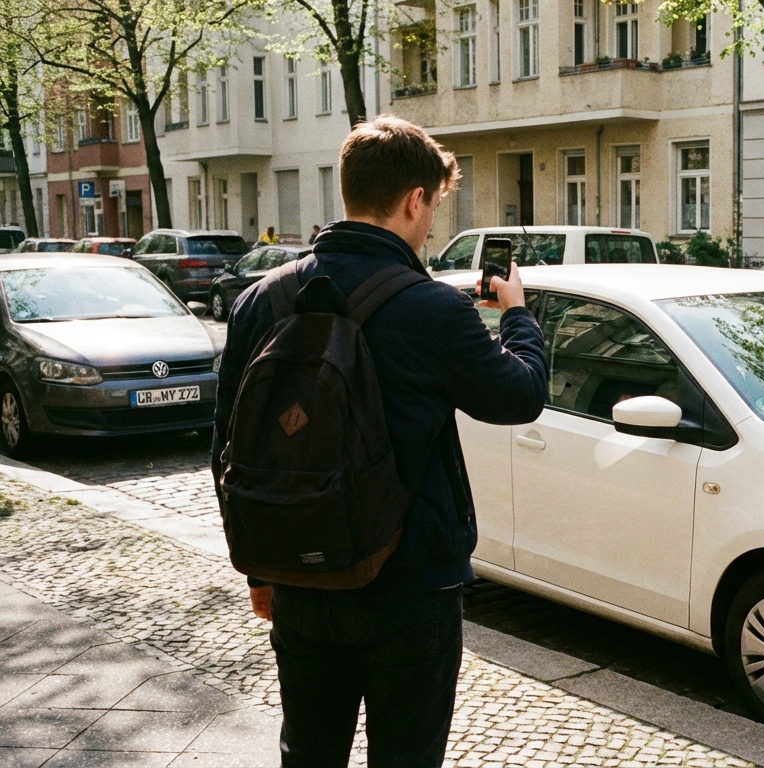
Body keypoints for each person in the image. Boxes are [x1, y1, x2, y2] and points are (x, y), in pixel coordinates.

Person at [212, 115, 547, 767]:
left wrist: (261, 568)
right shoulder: (432, 309)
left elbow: (226, 445)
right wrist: (516, 315)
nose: (431, 225)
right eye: (434, 208)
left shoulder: (259, 301)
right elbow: (518, 395)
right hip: (408, 585)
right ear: (414, 199)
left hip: (299, 581)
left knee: (309, 752)